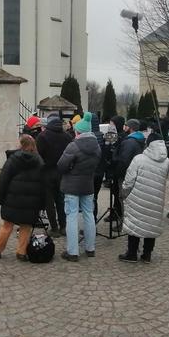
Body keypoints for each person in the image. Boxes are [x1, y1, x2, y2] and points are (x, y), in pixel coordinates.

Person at [0, 135, 45, 261]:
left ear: (21, 145)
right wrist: (42, 203)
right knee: (26, 226)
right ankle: (21, 252)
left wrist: (0, 199)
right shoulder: (39, 161)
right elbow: (44, 184)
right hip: (31, 200)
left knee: (7, 225)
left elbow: (4, 180)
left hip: (13, 198)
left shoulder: (13, 159)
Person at [118, 133, 169, 263]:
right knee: (151, 225)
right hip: (156, 199)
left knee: (134, 224)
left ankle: (131, 253)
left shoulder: (139, 159)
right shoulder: (167, 161)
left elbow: (129, 181)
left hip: (137, 197)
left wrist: (123, 193)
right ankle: (147, 254)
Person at [57, 112, 101, 262]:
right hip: (88, 185)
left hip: (72, 186)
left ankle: (73, 252)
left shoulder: (73, 146)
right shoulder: (97, 147)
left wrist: (70, 171)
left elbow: (61, 166)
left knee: (71, 217)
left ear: (78, 132)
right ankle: (90, 248)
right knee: (89, 215)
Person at [36, 113, 72, 237]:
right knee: (61, 200)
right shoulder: (67, 137)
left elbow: (38, 156)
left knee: (49, 201)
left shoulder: (42, 136)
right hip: (62, 172)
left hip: (47, 172)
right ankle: (63, 226)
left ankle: (54, 228)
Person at [108, 118, 145, 225]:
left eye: (126, 125)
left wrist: (116, 173)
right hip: (134, 173)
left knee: (124, 198)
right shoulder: (139, 139)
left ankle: (125, 223)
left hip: (125, 175)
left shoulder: (129, 142)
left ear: (130, 128)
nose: (124, 127)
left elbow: (123, 161)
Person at [90, 113, 106, 218]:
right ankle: (93, 222)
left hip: (90, 173)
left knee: (89, 199)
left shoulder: (89, 137)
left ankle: (91, 223)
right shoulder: (103, 136)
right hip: (100, 172)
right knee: (94, 197)